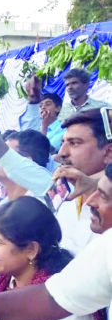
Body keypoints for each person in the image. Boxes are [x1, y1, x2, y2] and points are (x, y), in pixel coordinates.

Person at [54, 109, 112, 254]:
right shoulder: (64, 202)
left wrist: (96, 183)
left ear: (109, 153)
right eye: (63, 142)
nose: (62, 152)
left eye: (74, 143)